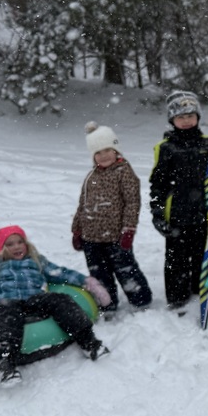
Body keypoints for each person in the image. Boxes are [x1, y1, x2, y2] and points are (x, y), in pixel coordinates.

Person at [0, 226, 111, 384]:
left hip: (34, 301)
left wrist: (88, 282)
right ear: (1, 249)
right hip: (7, 302)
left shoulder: (36, 261)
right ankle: (7, 364)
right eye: (10, 244)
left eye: (20, 242)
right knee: (4, 314)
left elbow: (61, 273)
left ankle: (90, 344)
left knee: (60, 299)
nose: (16, 247)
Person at [72, 121, 153, 314]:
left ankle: (141, 300)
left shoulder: (124, 172)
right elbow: (82, 205)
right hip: (91, 237)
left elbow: (133, 202)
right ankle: (106, 303)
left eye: (108, 150)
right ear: (93, 156)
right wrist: (77, 230)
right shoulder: (91, 176)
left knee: (126, 270)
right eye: (98, 153)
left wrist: (129, 229)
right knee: (99, 273)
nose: (104, 155)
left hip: (116, 236)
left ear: (116, 149)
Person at [150, 90, 208, 310]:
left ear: (198, 117)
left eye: (190, 115)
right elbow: (157, 184)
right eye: (181, 117)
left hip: (205, 213)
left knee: (202, 253)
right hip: (176, 216)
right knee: (176, 259)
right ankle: (177, 296)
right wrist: (158, 213)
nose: (186, 120)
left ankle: (201, 287)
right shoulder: (165, 148)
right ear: (172, 120)